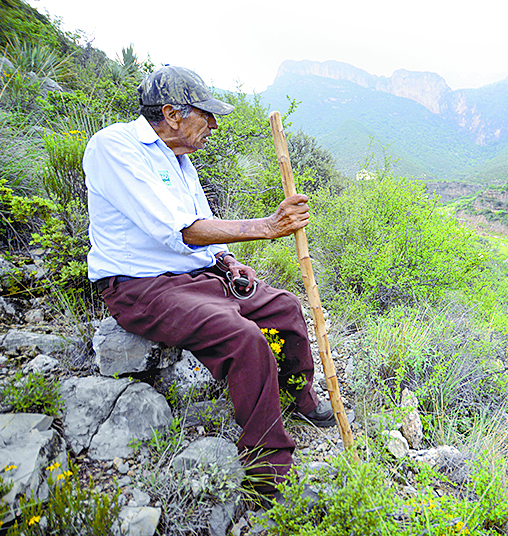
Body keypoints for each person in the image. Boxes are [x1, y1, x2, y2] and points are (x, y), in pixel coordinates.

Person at [83, 65, 335, 500]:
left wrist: (228, 258)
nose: (214, 124)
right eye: (207, 114)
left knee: (286, 308)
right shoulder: (114, 147)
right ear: (172, 113)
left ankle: (300, 397)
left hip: (198, 275)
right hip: (142, 287)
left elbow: (203, 224)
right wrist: (267, 226)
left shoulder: (180, 160)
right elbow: (179, 230)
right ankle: (267, 469)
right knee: (243, 337)